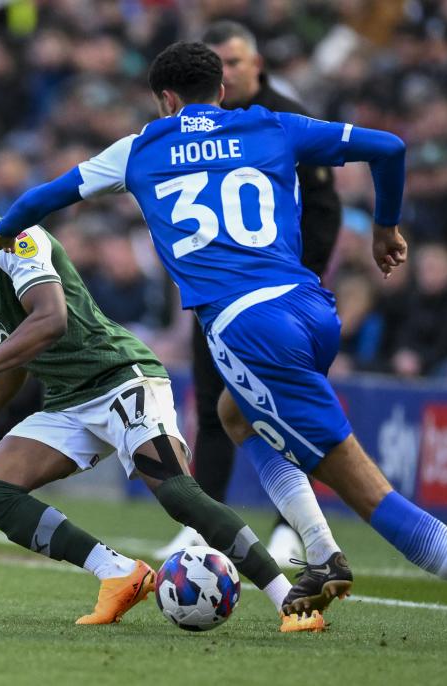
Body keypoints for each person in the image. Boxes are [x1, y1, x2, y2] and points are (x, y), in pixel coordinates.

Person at [0, 41, 447, 649]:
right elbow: (390, 148)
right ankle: (322, 555)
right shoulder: (271, 125)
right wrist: (386, 227)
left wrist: (4, 230)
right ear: (222, 91)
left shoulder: (141, 148)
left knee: (366, 490)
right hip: (310, 307)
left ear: (166, 100)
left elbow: (45, 198)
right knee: (236, 414)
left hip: (246, 326)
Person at [0, 146, 324, 633]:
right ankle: (118, 573)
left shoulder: (14, 239)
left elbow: (50, 321)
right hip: (67, 401)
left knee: (178, 495)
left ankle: (292, 602)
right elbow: (15, 353)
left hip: (121, 378)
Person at [154, 20, 344, 565]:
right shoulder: (188, 126)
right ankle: (203, 523)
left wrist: (301, 282)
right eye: (218, 63)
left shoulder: (284, 119)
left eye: (235, 62)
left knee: (286, 411)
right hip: (215, 295)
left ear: (256, 65)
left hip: (282, 299)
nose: (226, 72)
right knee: (213, 412)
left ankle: (293, 529)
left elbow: (325, 212)